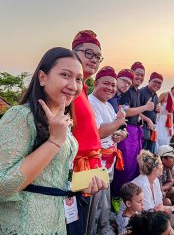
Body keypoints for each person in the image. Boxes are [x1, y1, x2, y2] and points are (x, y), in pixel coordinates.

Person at [0, 47, 104, 234]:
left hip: (57, 222)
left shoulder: (65, 123)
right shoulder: (21, 116)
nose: (73, 86)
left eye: (79, 79)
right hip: (25, 226)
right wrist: (54, 142)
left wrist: (80, 184)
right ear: (42, 77)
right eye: (65, 75)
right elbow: (3, 185)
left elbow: (50, 178)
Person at [71, 30, 108, 235]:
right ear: (73, 53)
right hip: (77, 169)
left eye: (98, 56)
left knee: (84, 223)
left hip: (89, 170)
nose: (94, 60)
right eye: (88, 53)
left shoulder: (83, 87)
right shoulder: (70, 88)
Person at [88, 66, 127, 234]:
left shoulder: (109, 105)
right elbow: (97, 132)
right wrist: (119, 123)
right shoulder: (91, 102)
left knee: (104, 196)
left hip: (108, 159)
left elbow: (114, 129)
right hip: (95, 160)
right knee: (94, 201)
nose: (110, 88)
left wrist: (122, 133)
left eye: (113, 85)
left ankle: (103, 226)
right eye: (106, 83)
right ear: (95, 83)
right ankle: (92, 230)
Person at [111, 62, 154, 198]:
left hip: (135, 131)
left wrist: (145, 118)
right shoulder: (126, 90)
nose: (139, 77)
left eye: (142, 75)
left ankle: (129, 197)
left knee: (133, 167)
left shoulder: (135, 91)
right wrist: (145, 108)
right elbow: (125, 111)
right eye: (137, 74)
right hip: (126, 131)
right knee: (124, 167)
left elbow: (134, 110)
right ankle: (119, 197)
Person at [140, 72, 164, 153]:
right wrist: (148, 120)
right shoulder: (142, 92)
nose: (157, 84)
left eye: (159, 83)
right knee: (143, 153)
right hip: (142, 127)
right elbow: (135, 110)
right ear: (149, 81)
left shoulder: (156, 95)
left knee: (150, 152)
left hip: (152, 128)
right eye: (155, 81)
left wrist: (157, 110)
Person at [156, 83, 174, 148]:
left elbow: (173, 109)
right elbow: (155, 103)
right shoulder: (165, 94)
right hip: (162, 120)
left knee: (168, 139)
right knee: (160, 138)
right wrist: (158, 107)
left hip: (170, 121)